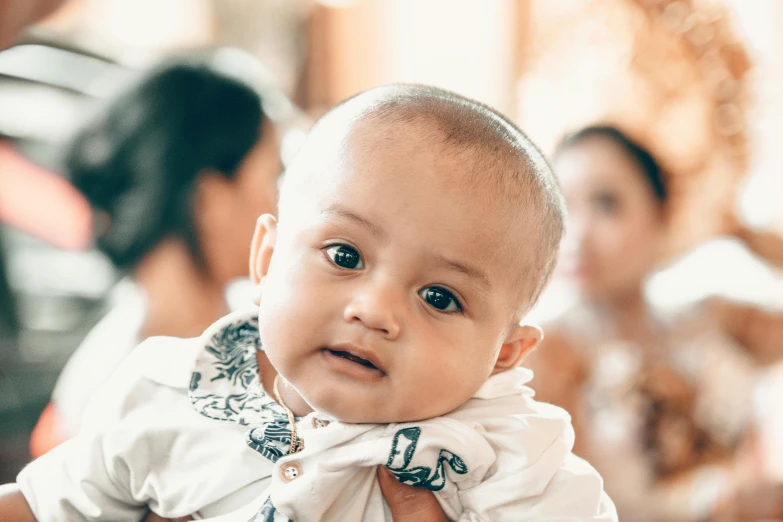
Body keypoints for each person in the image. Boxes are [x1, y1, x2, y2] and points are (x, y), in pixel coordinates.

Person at [0, 84, 618, 521]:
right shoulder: (170, 391)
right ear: (266, 261)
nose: (375, 311)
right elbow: (40, 504)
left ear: (505, 353)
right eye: (346, 256)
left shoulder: (509, 457)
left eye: (439, 296)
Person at [28, 54, 283, 454]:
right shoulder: (116, 390)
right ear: (209, 199)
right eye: (272, 178)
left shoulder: (268, 327)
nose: (282, 205)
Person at [526, 124, 783, 522]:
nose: (577, 234)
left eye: (606, 204)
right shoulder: (546, 353)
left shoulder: (716, 318)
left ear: (661, 213)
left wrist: (750, 237)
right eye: (560, 207)